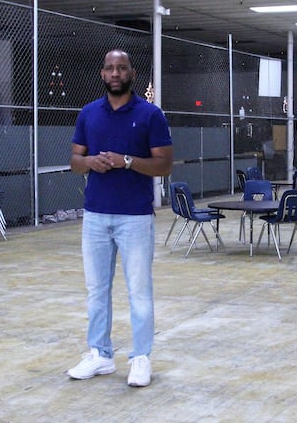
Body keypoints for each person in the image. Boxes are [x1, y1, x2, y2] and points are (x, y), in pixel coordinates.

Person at [67, 49, 172, 387]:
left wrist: (127, 160)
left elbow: (164, 164)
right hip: (96, 215)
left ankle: (141, 357)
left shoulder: (150, 115)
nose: (115, 73)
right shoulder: (88, 114)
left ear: (132, 73)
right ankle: (100, 354)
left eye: (121, 68)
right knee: (96, 289)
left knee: (139, 290)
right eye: (110, 68)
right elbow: (74, 160)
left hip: (134, 217)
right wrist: (90, 163)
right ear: (102, 74)